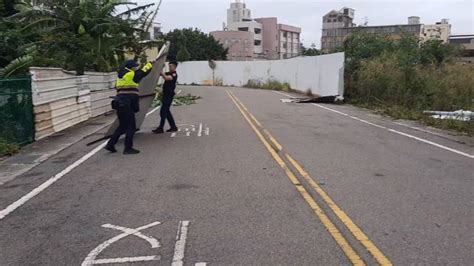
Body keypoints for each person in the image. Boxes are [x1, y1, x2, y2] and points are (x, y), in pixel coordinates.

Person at [105, 59, 154, 155]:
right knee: (131, 127)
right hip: (127, 104)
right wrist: (150, 64)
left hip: (119, 103)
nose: (137, 67)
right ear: (132, 67)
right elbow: (143, 72)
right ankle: (128, 148)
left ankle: (110, 145)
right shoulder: (131, 74)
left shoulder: (120, 77)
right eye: (136, 66)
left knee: (122, 126)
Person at [153, 61, 179, 134]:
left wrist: (160, 71)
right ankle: (173, 126)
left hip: (169, 95)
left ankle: (161, 128)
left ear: (174, 66)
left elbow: (166, 78)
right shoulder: (169, 73)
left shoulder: (174, 74)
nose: (169, 67)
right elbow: (162, 75)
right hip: (165, 95)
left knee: (163, 112)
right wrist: (160, 67)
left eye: (171, 66)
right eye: (169, 66)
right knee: (166, 111)